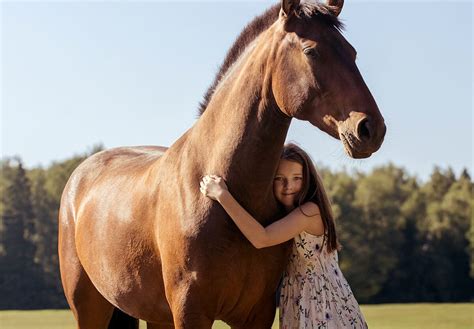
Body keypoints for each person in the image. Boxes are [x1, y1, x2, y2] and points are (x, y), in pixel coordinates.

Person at [200, 143, 367, 329]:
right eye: (280, 178)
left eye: (297, 178)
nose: (288, 186)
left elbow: (261, 238)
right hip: (297, 298)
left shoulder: (309, 212)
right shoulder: (285, 215)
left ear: (308, 180)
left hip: (322, 301)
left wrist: (222, 195)